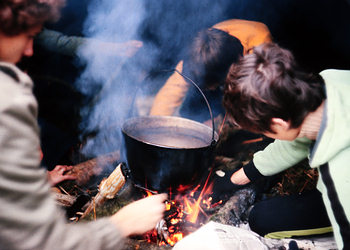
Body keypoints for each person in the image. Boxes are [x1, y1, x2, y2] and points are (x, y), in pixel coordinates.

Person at [0, 1, 167, 249]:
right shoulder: (9, 100)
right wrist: (122, 224)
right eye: (28, 37)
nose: (29, 51)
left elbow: (61, 41)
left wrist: (36, 179)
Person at [221, 42, 350, 249]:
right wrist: (237, 178)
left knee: (264, 221)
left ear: (280, 123)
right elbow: (294, 139)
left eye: (263, 131)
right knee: (263, 217)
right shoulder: (329, 80)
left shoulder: (340, 175)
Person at [150, 19, 272, 122]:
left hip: (253, 76)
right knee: (190, 110)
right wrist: (154, 127)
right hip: (221, 68)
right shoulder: (202, 49)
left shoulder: (260, 48)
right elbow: (169, 94)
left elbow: (261, 98)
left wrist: (220, 123)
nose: (210, 89)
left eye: (210, 86)